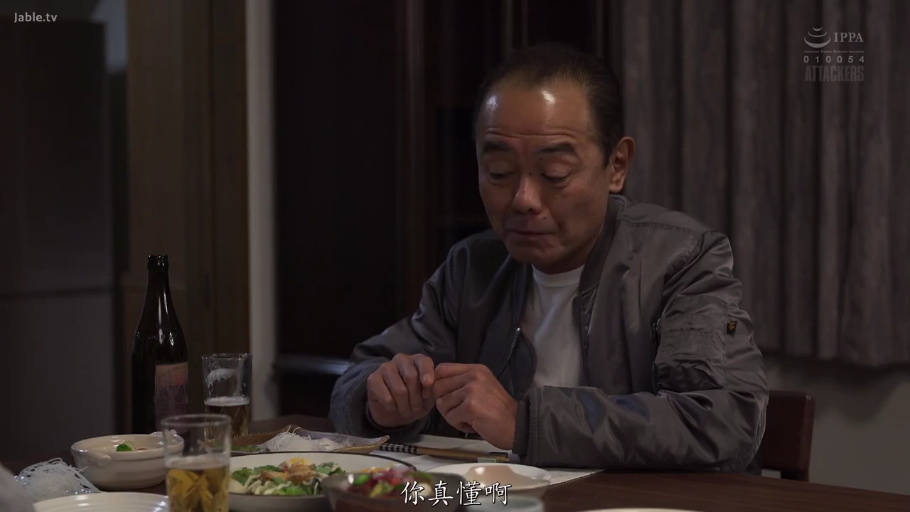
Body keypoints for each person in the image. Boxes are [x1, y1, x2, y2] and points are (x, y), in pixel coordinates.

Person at [330, 42, 767, 471]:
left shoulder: (682, 260)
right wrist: (380, 401)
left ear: (616, 165)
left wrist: (525, 423)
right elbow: (360, 377)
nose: (523, 199)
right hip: (504, 499)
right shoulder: (473, 268)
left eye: (554, 174)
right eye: (499, 173)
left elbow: (722, 420)